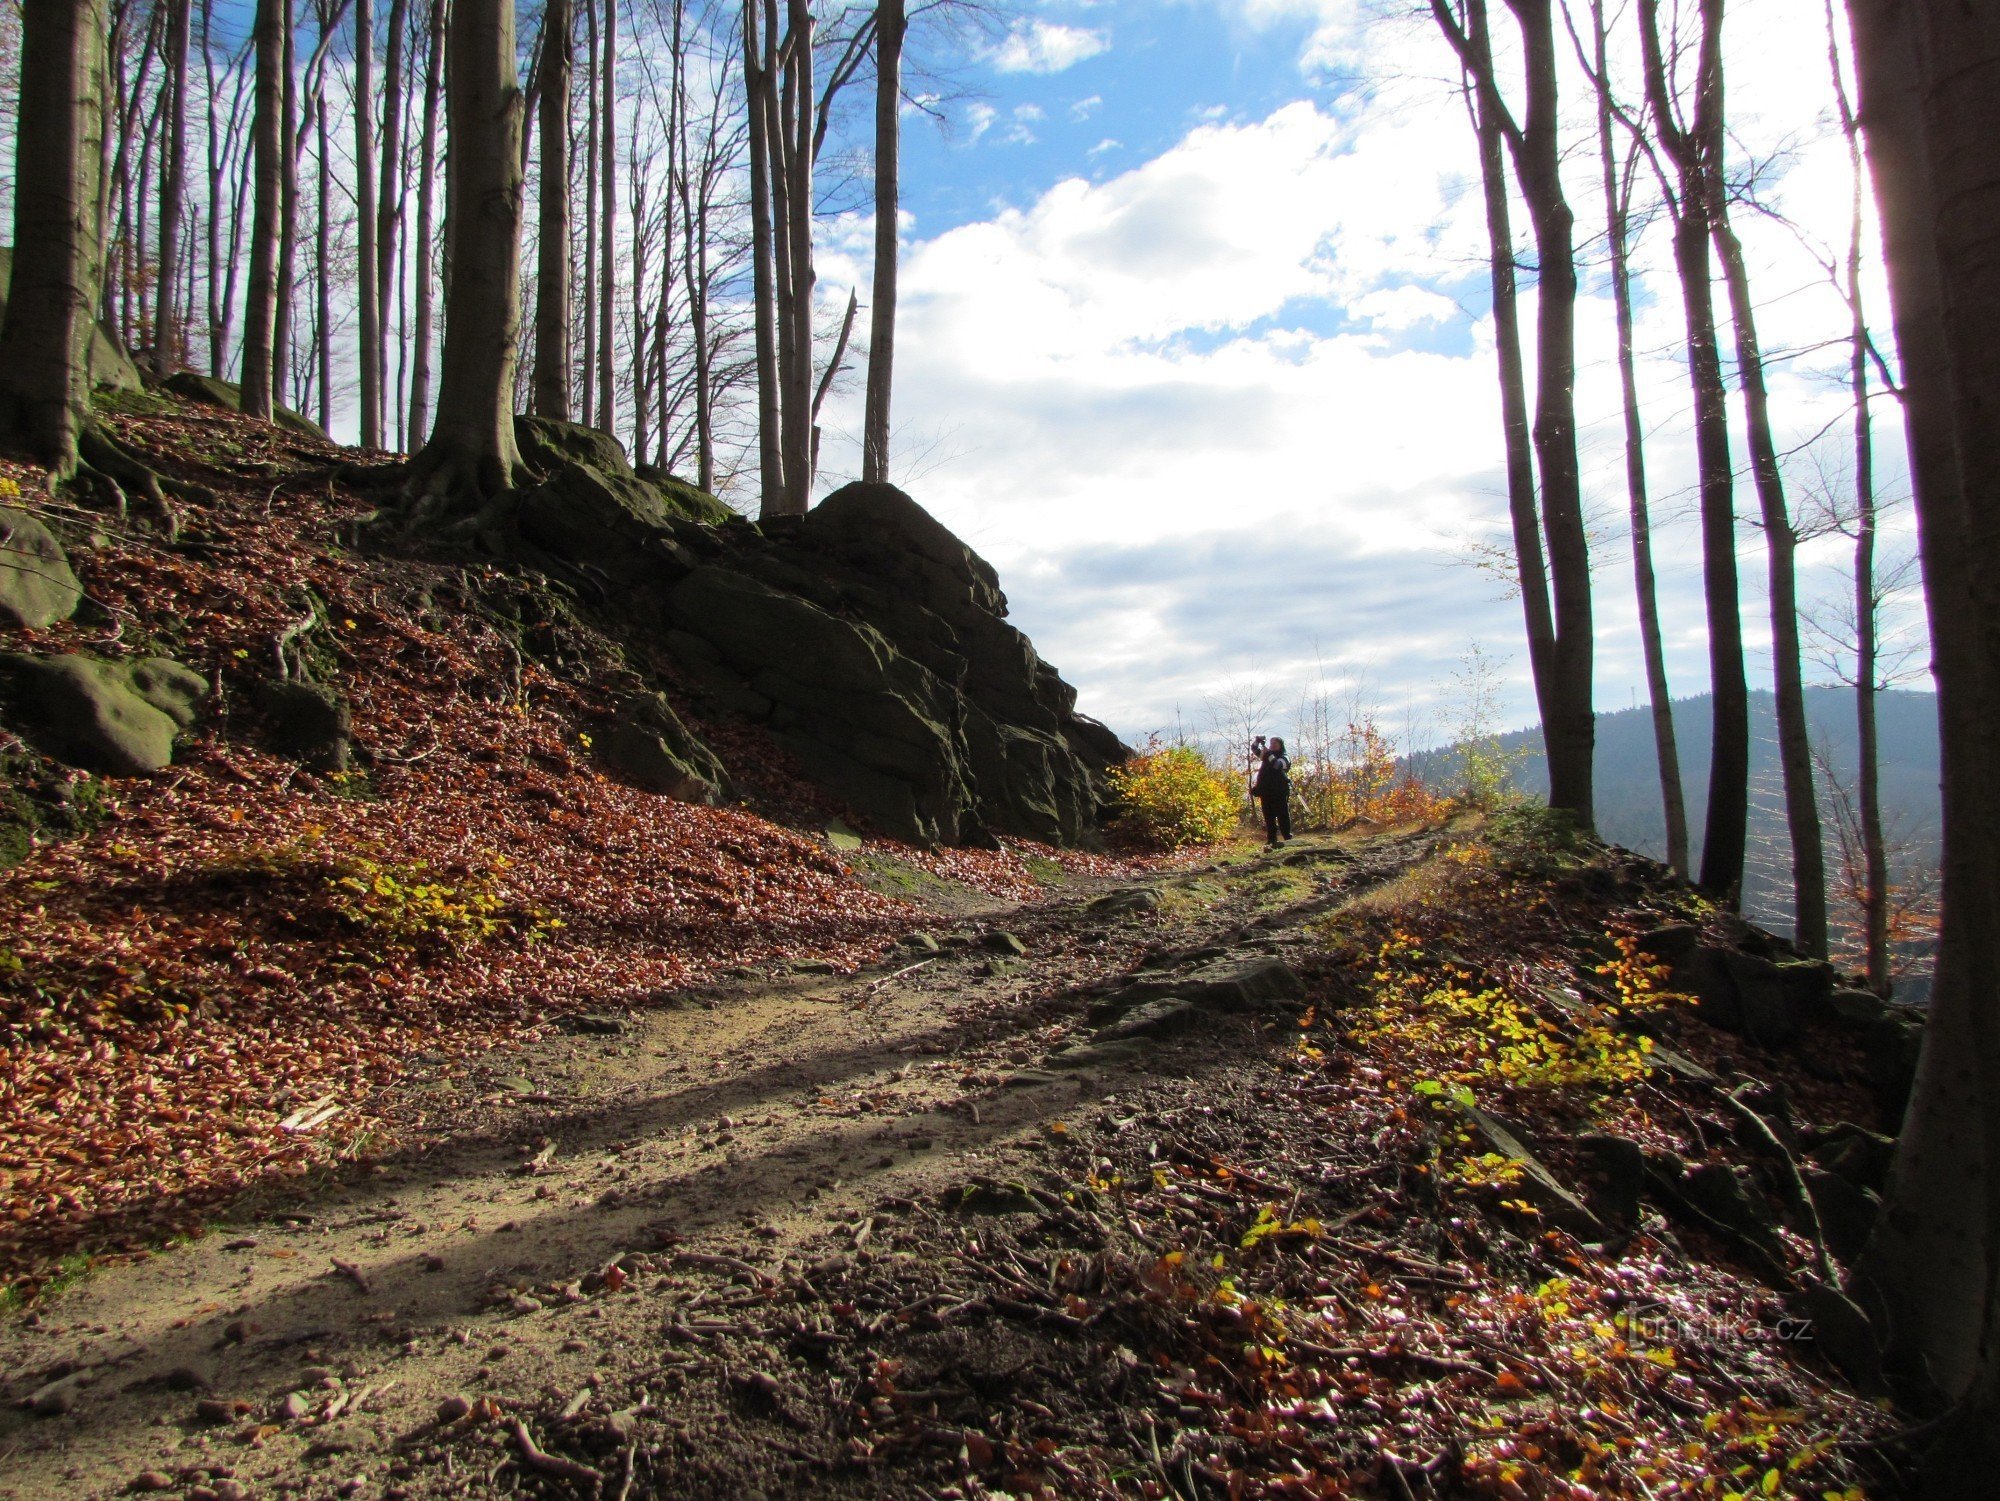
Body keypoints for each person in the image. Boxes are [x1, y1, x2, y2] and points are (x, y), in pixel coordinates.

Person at [1252, 736, 1292, 847]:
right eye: (1271, 743)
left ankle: (1287, 837)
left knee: (1282, 815)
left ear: (1280, 745)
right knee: (1268, 816)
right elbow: (1255, 749)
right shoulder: (1267, 756)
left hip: (1279, 791)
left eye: (1275, 743)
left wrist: (1268, 754)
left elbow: (1277, 765)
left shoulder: (1285, 757)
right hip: (1266, 791)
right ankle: (1271, 839)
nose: (1272, 745)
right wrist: (1257, 741)